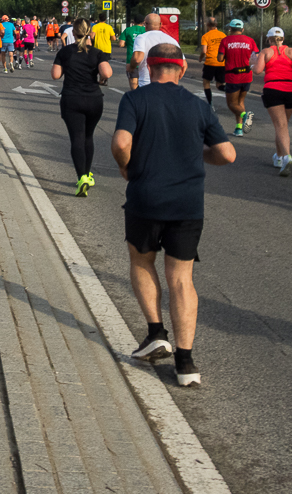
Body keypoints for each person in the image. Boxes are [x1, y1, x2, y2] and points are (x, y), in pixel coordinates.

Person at [111, 41, 236, 388]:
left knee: (141, 261)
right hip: (187, 203)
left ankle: (155, 332)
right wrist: (198, 155)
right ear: (182, 69)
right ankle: (186, 363)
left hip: (146, 198)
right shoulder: (198, 107)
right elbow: (227, 154)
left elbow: (121, 143)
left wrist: (127, 169)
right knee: (182, 279)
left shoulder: (134, 99)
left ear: (149, 69)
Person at [52, 17, 112, 197]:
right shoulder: (96, 52)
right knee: (88, 136)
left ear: (74, 32)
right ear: (89, 32)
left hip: (71, 99)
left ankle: (82, 178)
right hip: (94, 99)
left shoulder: (65, 52)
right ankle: (87, 174)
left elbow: (55, 75)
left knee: (76, 138)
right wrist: (101, 79)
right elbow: (107, 72)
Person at [254, 27, 292, 176]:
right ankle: (278, 157)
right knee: (283, 125)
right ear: (283, 39)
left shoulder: (266, 52)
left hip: (273, 89)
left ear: (269, 39)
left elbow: (258, 70)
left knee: (280, 125)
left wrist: (254, 64)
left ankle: (286, 156)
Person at [218, 19, 259, 136]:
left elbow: (220, 59)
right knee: (240, 102)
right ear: (242, 29)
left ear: (230, 29)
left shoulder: (225, 40)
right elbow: (255, 57)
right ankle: (239, 129)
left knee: (231, 104)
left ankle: (245, 115)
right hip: (247, 76)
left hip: (232, 76)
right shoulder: (250, 41)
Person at [129, 14, 176, 88]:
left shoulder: (142, 38)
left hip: (146, 84)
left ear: (146, 24)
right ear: (160, 24)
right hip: (167, 86)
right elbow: (184, 64)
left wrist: (131, 68)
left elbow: (137, 59)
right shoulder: (171, 40)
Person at [197, 18, 226, 105]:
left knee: (206, 83)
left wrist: (201, 58)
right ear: (216, 24)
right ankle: (231, 89)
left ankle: (210, 104)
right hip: (222, 63)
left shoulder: (205, 36)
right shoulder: (223, 35)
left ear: (207, 25)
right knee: (219, 85)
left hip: (210, 62)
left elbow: (204, 51)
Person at [118, 16, 146, 89]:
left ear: (133, 22)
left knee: (133, 82)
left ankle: (135, 97)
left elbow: (121, 44)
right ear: (143, 22)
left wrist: (127, 43)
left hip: (132, 59)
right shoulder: (146, 30)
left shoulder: (128, 30)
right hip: (145, 60)